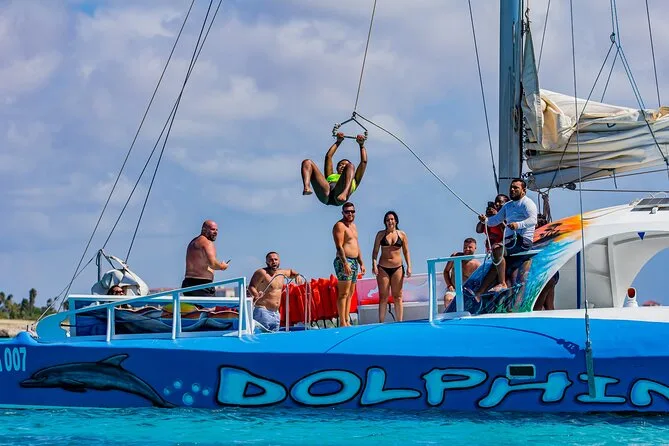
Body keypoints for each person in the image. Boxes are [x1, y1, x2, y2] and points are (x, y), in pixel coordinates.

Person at [475, 179, 537, 300]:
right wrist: (485, 220)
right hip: (510, 241)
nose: (512, 190)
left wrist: (517, 225)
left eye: (516, 188)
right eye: (511, 187)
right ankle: (479, 293)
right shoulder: (507, 206)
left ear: (523, 191)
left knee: (497, 249)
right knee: (496, 263)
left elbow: (533, 220)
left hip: (522, 240)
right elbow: (495, 220)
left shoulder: (528, 203)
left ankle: (502, 283)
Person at [301, 132, 368, 206]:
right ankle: (307, 187)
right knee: (307, 162)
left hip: (339, 197)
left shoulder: (355, 180)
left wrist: (361, 145)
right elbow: (328, 156)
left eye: (345, 165)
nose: (343, 166)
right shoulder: (331, 175)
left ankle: (345, 193)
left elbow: (364, 162)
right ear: (337, 168)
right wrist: (338, 142)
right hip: (325, 193)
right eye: (341, 165)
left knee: (351, 166)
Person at [371, 211, 412, 323]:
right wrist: (374, 265)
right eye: (388, 220)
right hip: (383, 268)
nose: (390, 221)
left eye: (392, 219)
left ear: (396, 221)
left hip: (397, 268)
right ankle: (381, 322)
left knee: (397, 296)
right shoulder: (380, 234)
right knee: (383, 297)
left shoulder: (402, 234)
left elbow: (406, 251)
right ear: (385, 222)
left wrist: (409, 266)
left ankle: (399, 322)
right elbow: (375, 252)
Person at [248, 252, 301, 332]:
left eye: (276, 259)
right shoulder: (262, 272)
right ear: (267, 262)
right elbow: (251, 286)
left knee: (274, 337)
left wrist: (297, 275)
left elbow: (290, 271)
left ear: (279, 261)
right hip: (263, 312)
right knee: (261, 337)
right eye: (271, 260)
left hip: (275, 313)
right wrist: (256, 295)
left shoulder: (281, 273)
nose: (274, 262)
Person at [332, 202, 366, 327]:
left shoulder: (354, 226)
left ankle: (346, 319)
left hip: (354, 261)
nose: (350, 214)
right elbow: (339, 246)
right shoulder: (340, 226)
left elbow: (356, 245)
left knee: (350, 292)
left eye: (352, 211)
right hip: (344, 261)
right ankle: (342, 321)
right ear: (343, 213)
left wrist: (361, 262)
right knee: (343, 293)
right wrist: (345, 263)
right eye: (347, 212)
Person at [182, 220, 229, 297]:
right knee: (210, 305)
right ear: (204, 230)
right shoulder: (207, 243)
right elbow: (212, 264)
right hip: (202, 285)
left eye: (217, 230)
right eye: (212, 229)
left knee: (193, 305)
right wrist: (222, 266)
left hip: (187, 284)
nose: (215, 232)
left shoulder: (193, 242)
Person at [442, 238, 481, 309]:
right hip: (453, 290)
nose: (467, 249)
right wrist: (449, 285)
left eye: (470, 247)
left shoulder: (477, 265)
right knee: (448, 299)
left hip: (467, 292)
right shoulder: (455, 256)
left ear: (475, 248)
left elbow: (478, 282)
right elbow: (446, 271)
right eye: (465, 247)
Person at [533, 214, 557, 311]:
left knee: (537, 308)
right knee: (549, 306)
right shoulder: (550, 238)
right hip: (552, 274)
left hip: (544, 275)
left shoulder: (538, 238)